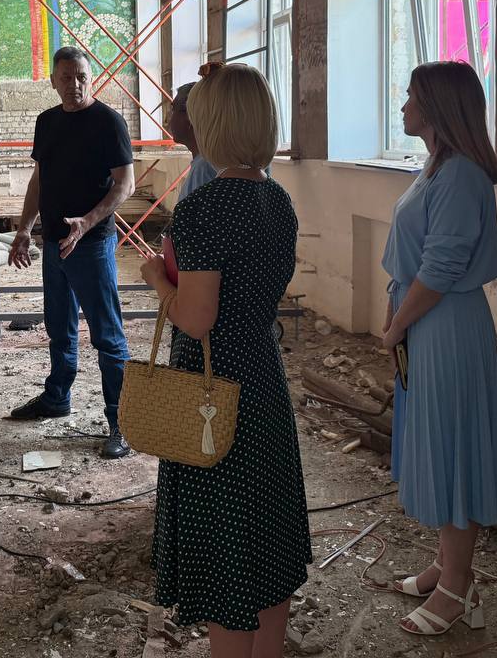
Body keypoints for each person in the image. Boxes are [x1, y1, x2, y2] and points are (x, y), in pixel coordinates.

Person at [140, 63, 310, 658]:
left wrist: (156, 280)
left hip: (214, 391)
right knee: (265, 537)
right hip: (262, 376)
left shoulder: (205, 209)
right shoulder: (278, 201)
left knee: (226, 548)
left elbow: (196, 318)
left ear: (214, 125)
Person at [380, 60, 497, 637]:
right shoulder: (435, 166)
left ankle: (458, 586)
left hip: (446, 325)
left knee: (453, 449)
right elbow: (417, 264)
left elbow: (440, 270)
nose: (403, 105)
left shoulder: (459, 176)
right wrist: (397, 318)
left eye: (410, 96)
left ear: (435, 106)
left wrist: (395, 327)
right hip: (427, 320)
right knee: (437, 442)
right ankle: (446, 565)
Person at [7, 46, 135, 459]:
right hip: (54, 244)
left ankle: (121, 422)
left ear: (90, 78)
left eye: (82, 77)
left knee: (107, 336)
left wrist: (88, 222)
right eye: (66, 77)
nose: (75, 85)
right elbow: (39, 180)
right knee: (59, 326)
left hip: (92, 244)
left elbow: (125, 184)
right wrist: (24, 229)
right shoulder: (47, 122)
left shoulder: (108, 122)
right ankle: (57, 397)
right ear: (53, 81)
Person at [168, 79, 218, 201]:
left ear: (190, 116)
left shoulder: (204, 168)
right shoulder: (205, 163)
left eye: (174, 110)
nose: (168, 119)